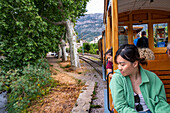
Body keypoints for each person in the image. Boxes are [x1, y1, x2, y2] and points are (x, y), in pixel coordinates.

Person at [110, 44, 170, 113]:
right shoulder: (117, 79)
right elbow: (121, 106)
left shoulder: (152, 77)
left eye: (122, 64)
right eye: (118, 64)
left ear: (135, 63)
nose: (119, 68)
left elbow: (161, 103)